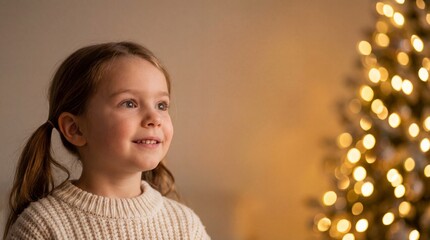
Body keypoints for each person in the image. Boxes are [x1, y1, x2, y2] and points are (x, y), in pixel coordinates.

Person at [4, 41, 210, 239]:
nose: (155, 119)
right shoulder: (42, 226)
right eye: (129, 103)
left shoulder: (185, 224)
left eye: (161, 105)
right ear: (75, 129)